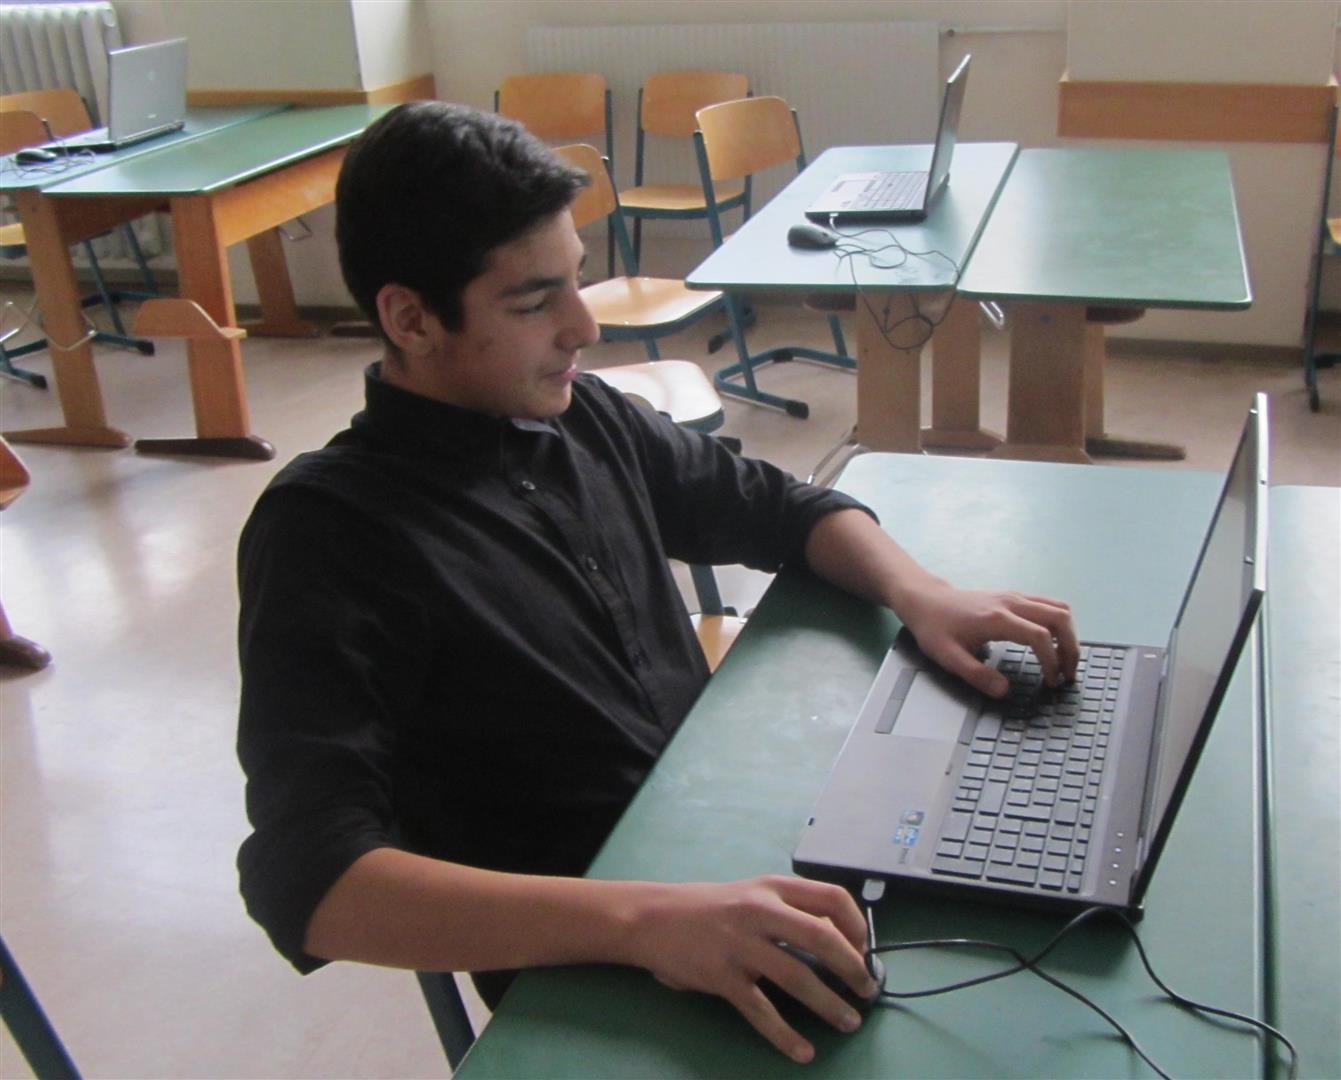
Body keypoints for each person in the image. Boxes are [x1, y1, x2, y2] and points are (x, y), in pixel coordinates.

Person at [236, 101, 1078, 1066]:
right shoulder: (328, 533)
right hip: (599, 954)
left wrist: (922, 594)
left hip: (716, 838)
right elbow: (312, 882)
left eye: (577, 281)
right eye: (533, 302)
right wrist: (648, 922)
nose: (582, 326)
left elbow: (780, 508)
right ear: (410, 318)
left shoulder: (582, 416)